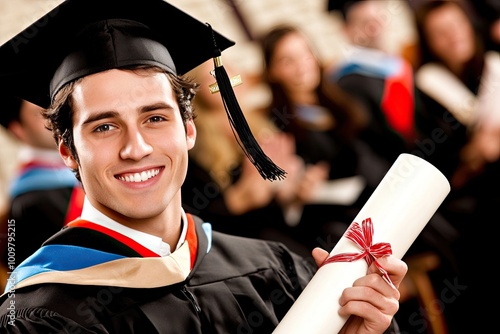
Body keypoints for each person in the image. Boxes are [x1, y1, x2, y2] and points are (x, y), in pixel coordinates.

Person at [0, 0, 407, 332]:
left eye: (155, 118)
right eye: (104, 126)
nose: (136, 147)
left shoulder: (273, 267)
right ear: (68, 151)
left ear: (188, 129)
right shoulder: (43, 314)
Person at [412, 1, 500, 331]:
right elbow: (436, 163)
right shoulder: (427, 87)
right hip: (466, 195)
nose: (452, 37)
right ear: (429, 42)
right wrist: (475, 153)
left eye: (456, 26)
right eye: (440, 33)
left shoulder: (492, 66)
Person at [258, 24, 372, 252]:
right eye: (287, 61)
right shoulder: (276, 123)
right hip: (331, 214)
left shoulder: (340, 101)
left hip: (370, 190)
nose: (302, 66)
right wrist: (301, 184)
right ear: (272, 71)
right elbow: (285, 188)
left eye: (305, 54)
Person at [0, 97, 83, 280]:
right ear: (18, 130)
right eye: (39, 114)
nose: (52, 117)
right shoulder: (27, 201)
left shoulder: (87, 169)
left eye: (52, 107)